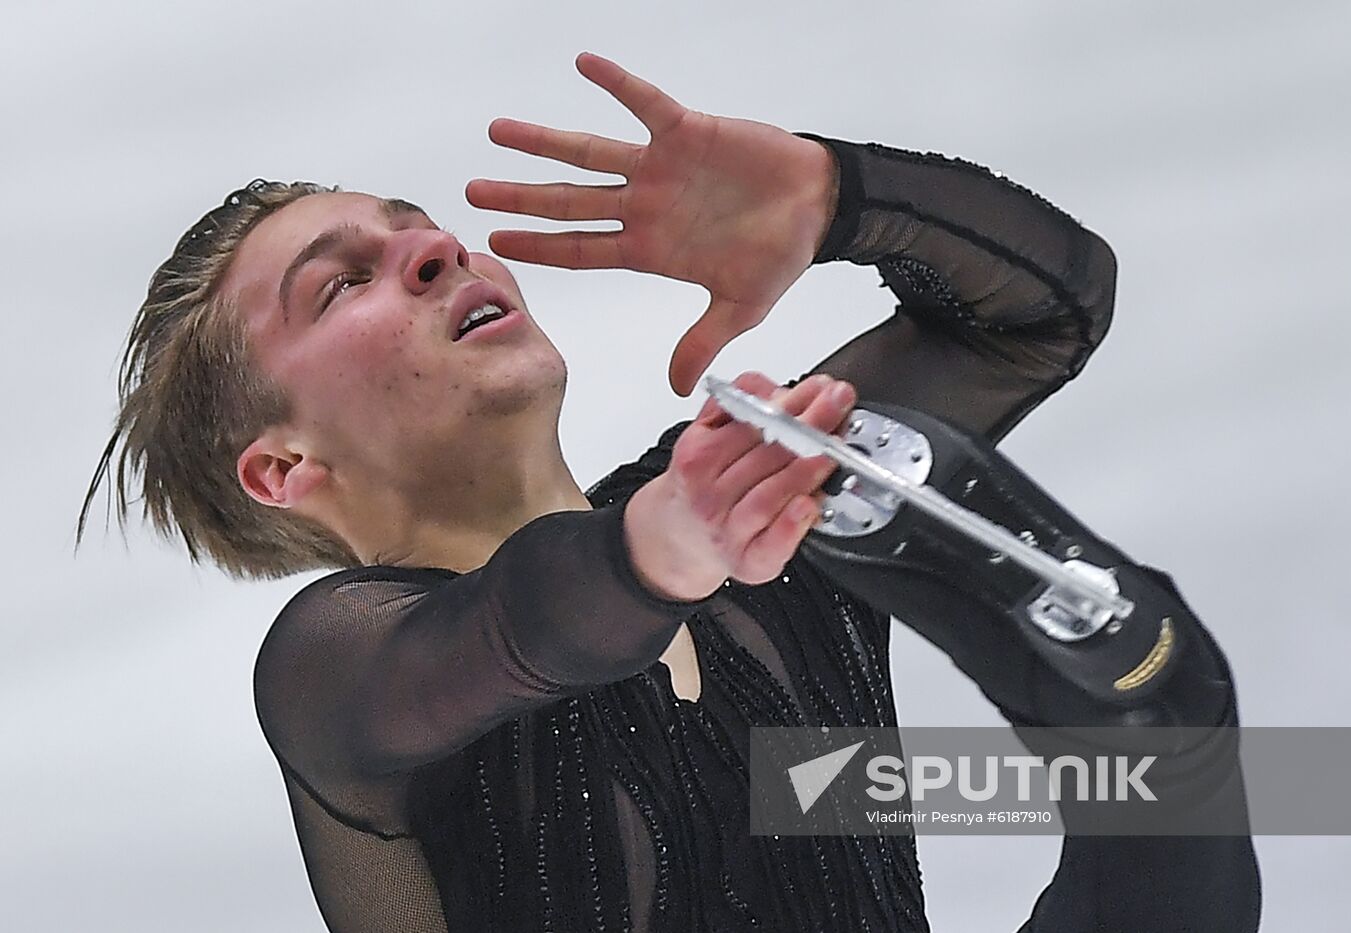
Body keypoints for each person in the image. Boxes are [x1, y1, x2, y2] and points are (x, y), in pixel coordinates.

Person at [81, 53, 1260, 931]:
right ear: (285, 469)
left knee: (1168, 741)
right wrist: (658, 547)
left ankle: (1136, 707)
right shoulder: (333, 674)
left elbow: (1035, 317)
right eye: (339, 288)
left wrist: (840, 200)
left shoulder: (754, 503)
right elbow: (512, 631)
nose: (438, 254)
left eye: (421, 233)